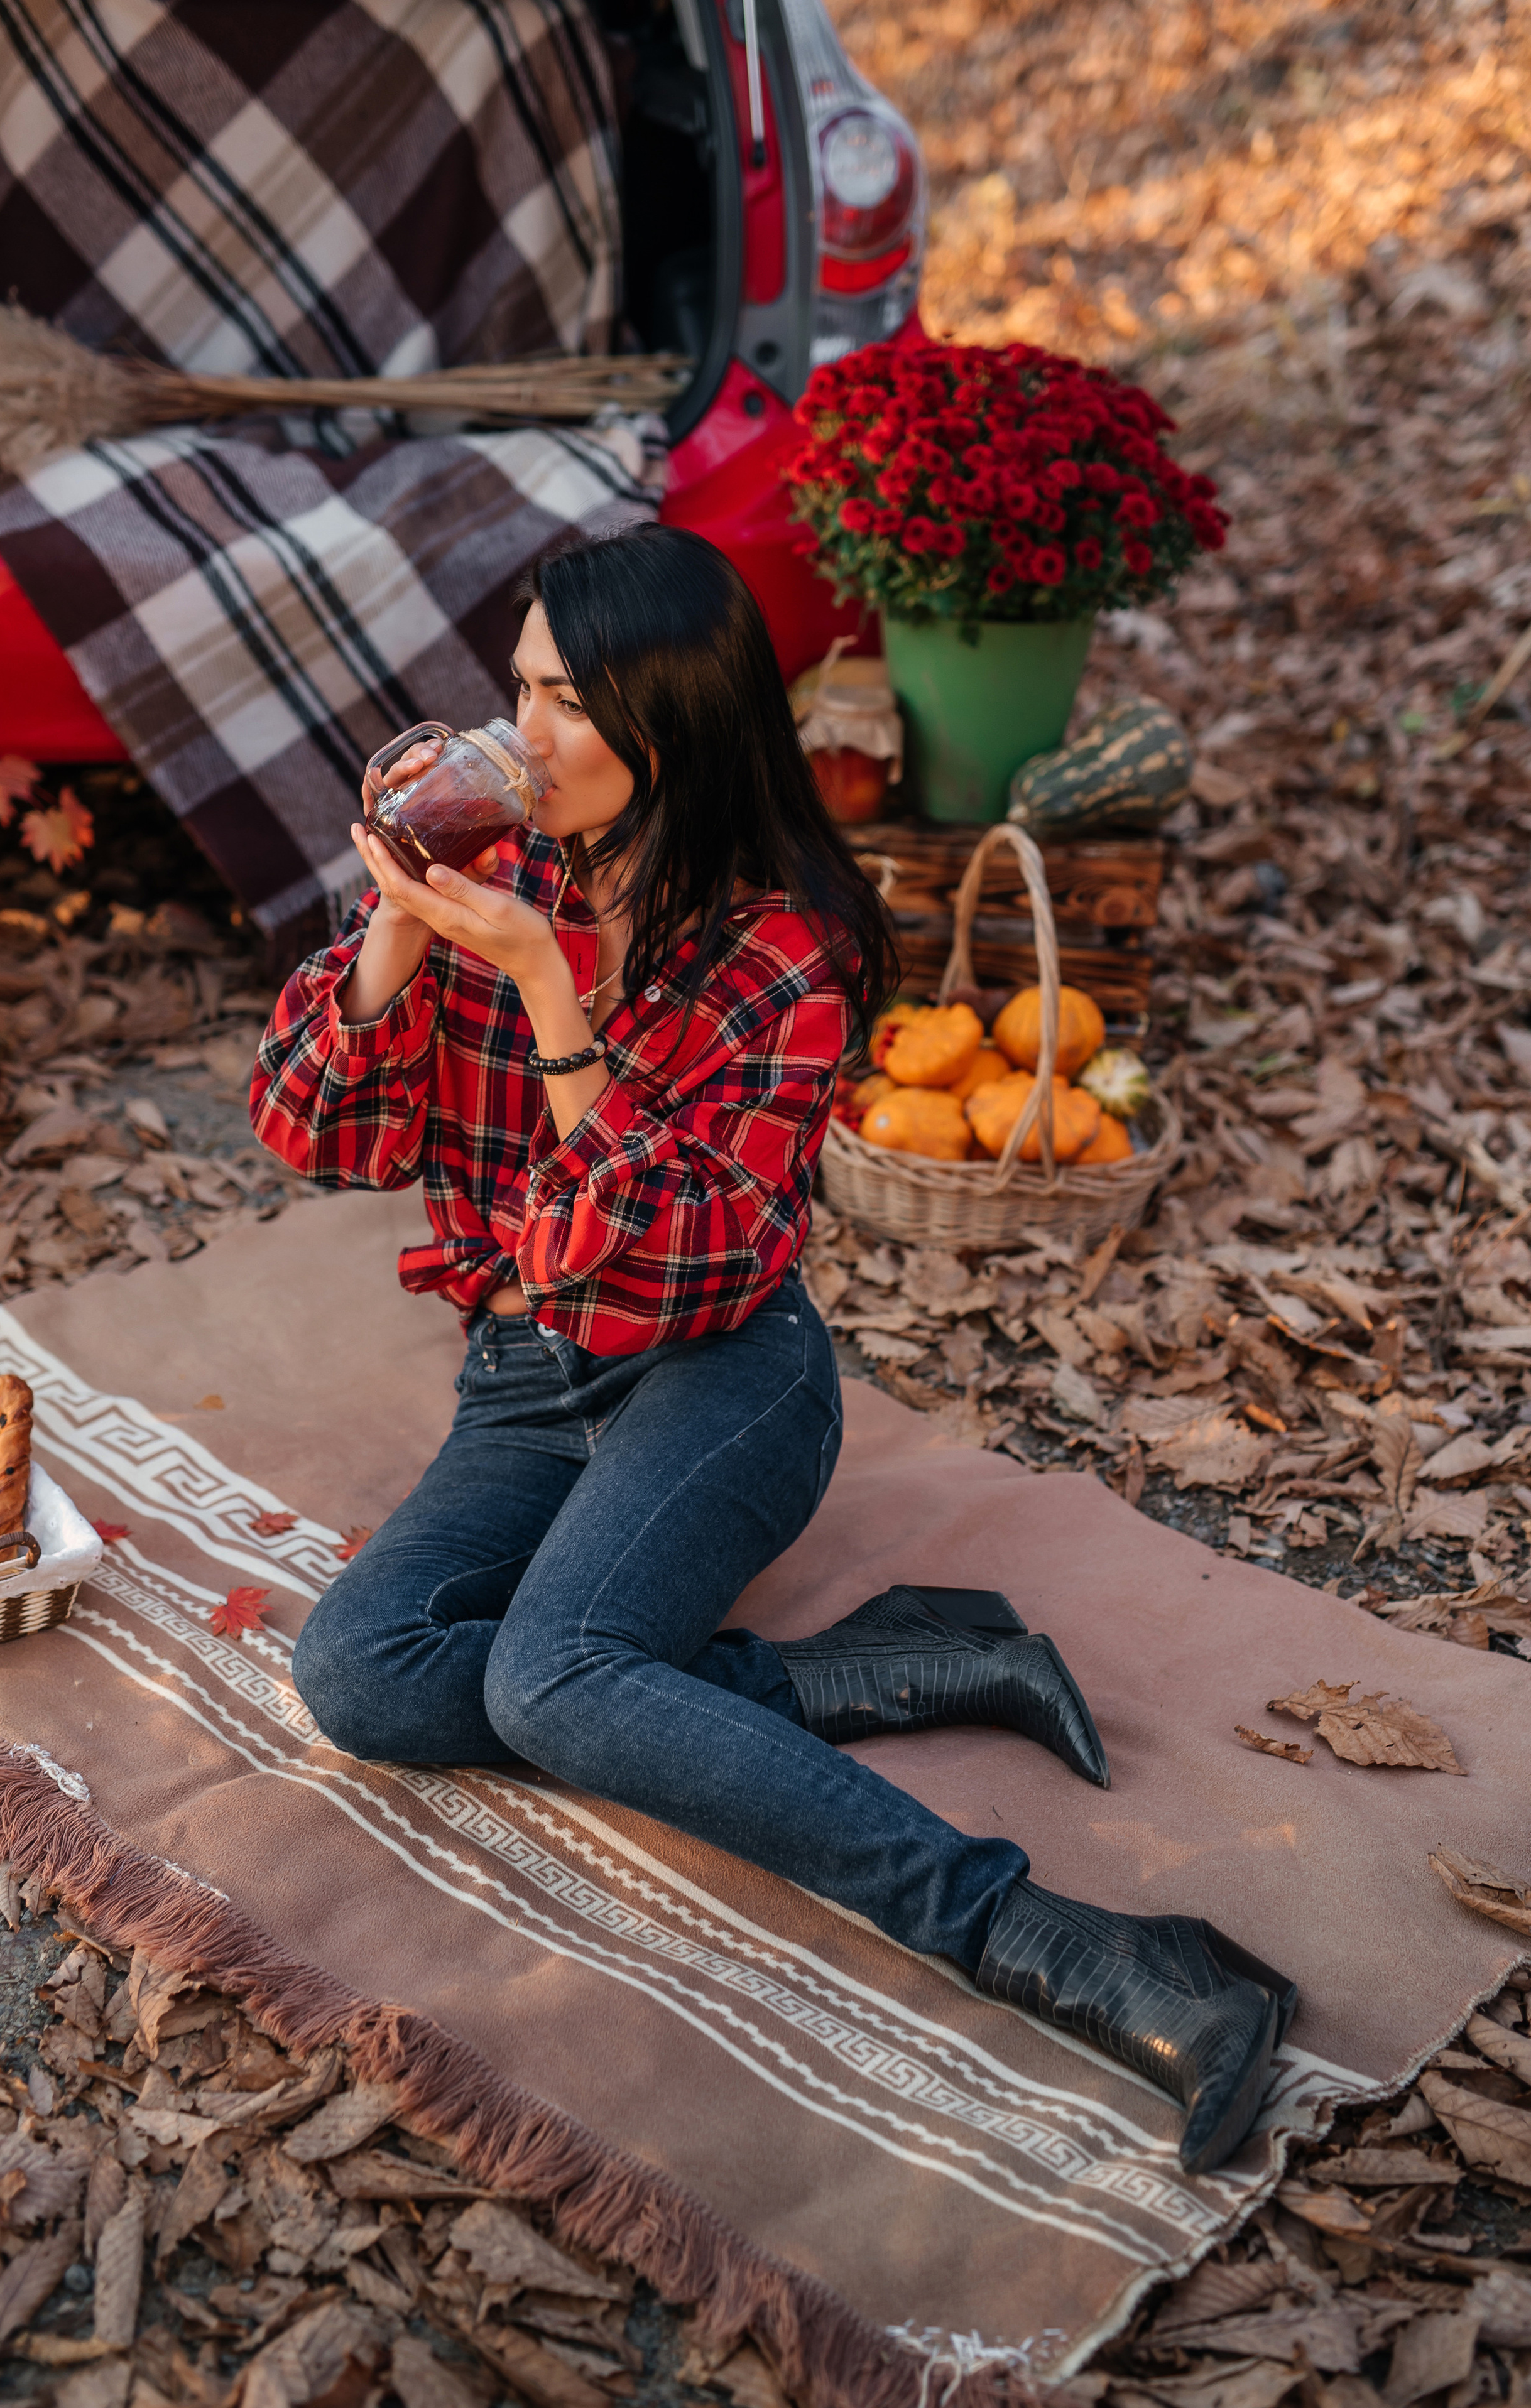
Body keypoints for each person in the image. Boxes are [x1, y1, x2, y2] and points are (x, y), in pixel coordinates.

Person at [251, 522, 1297, 2174]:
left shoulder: (785, 946)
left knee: (552, 1676)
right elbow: (307, 1124)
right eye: (513, 689)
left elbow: (658, 1264)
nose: (516, 737)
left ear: (670, 724)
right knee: (355, 1673)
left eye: (565, 702)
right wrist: (396, 931)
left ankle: (1083, 1950)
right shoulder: (496, 869)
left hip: (721, 1374)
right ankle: (866, 1665)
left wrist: (546, 995)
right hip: (527, 1385)